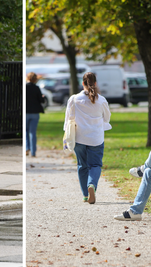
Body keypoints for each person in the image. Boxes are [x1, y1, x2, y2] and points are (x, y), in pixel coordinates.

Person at [64, 72, 112, 204]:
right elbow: (107, 118)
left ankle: (85, 195)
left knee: (82, 165)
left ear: (82, 83)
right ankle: (92, 185)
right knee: (95, 165)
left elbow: (68, 120)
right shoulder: (101, 100)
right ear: (95, 84)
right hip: (96, 138)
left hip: (79, 137)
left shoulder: (74, 99)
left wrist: (66, 139)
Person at [26, 72, 45, 157]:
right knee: (32, 132)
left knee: (25, 131)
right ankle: (33, 152)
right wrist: (43, 97)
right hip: (35, 113)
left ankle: (27, 148)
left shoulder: (25, 87)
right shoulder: (36, 88)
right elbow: (41, 100)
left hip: (26, 112)